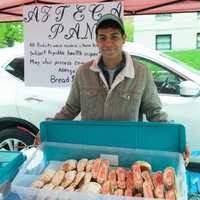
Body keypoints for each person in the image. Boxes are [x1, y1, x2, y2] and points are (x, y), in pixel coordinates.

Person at [34, 13, 190, 166]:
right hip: (90, 151)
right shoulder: (83, 72)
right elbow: (70, 109)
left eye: (114, 36)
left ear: (123, 38)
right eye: (102, 37)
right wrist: (47, 130)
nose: (108, 42)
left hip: (127, 151)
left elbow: (154, 113)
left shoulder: (142, 73)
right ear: (96, 41)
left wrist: (179, 142)